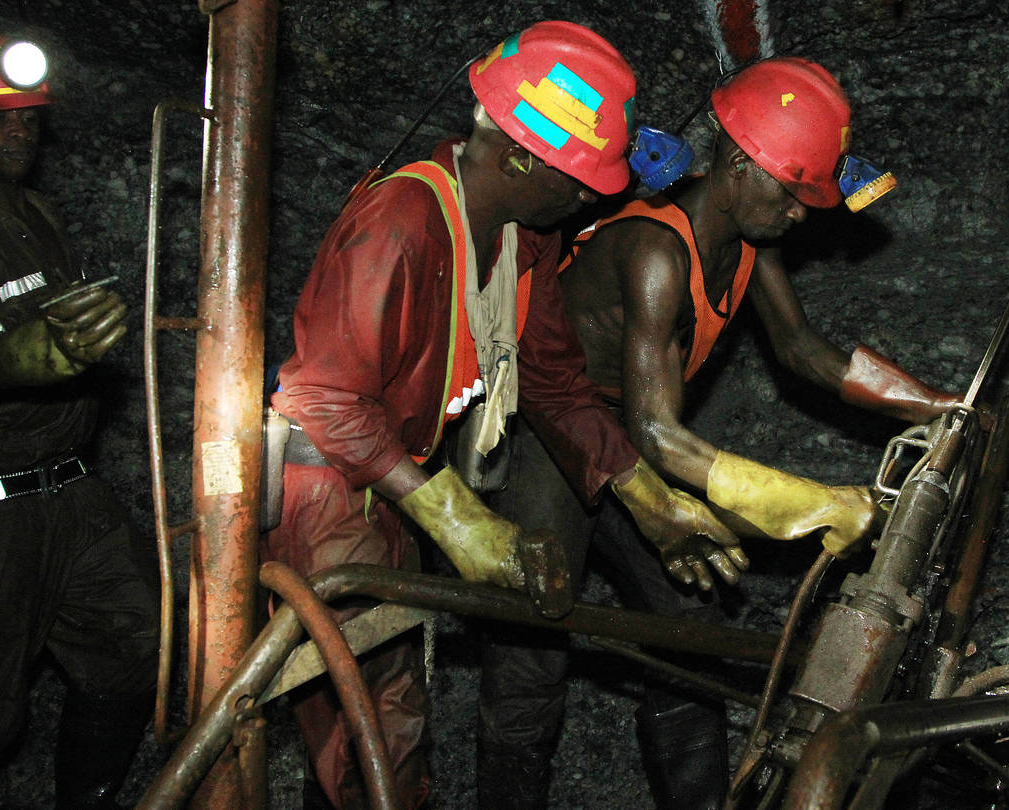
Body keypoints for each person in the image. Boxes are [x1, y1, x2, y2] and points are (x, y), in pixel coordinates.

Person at [263, 21, 748, 809]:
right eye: (578, 181)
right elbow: (324, 399)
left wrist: (650, 500)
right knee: (372, 734)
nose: (591, 197)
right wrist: (457, 518)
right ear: (519, 157)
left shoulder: (523, 239)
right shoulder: (403, 220)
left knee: (378, 725)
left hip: (388, 480)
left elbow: (553, 381)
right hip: (326, 488)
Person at [477, 58, 962, 809]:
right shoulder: (656, 254)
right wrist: (808, 503)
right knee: (533, 643)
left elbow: (801, 349)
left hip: (629, 430)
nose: (800, 214)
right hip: (551, 430)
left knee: (688, 622)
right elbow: (657, 433)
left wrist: (935, 405)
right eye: (791, 194)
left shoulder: (745, 241)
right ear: (738, 165)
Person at [0, 29, 159, 810]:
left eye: (27, 117)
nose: (17, 132)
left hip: (71, 491)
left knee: (140, 643)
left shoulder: (37, 214)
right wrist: (20, 358)